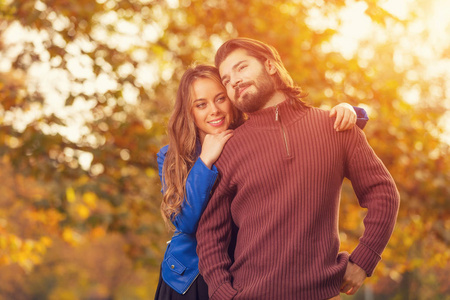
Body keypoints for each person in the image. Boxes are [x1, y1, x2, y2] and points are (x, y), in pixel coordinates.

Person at [196, 38, 400, 300]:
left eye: (241, 67)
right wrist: (223, 294)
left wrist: (364, 260)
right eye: (225, 79)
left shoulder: (336, 128)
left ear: (270, 65)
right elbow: (210, 232)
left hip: (319, 293)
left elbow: (384, 194)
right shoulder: (228, 148)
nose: (233, 80)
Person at [154, 63, 369, 300]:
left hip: (247, 276)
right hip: (188, 279)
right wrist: (205, 160)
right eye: (201, 104)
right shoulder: (172, 156)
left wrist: (349, 110)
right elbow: (185, 221)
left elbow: (303, 123)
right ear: (189, 111)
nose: (213, 110)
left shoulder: (253, 136)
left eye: (220, 99)